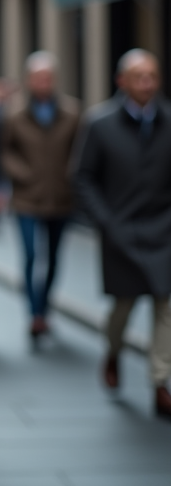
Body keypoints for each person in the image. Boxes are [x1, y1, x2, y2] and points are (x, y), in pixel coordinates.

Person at [73, 49, 171, 421]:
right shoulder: (100, 124)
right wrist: (106, 223)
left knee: (165, 307)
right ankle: (113, 351)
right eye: (139, 76)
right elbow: (83, 179)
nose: (147, 82)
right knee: (123, 307)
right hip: (120, 230)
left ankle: (160, 382)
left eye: (153, 75)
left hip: (162, 230)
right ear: (122, 81)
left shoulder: (168, 121)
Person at [0, 51, 80, 342]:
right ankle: (34, 314)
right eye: (38, 78)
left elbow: (80, 151)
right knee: (32, 255)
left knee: (54, 258)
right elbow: (4, 152)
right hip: (27, 198)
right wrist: (22, 174)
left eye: (48, 78)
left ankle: (44, 307)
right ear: (29, 80)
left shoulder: (72, 113)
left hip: (60, 198)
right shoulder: (14, 115)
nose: (43, 83)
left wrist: (70, 176)